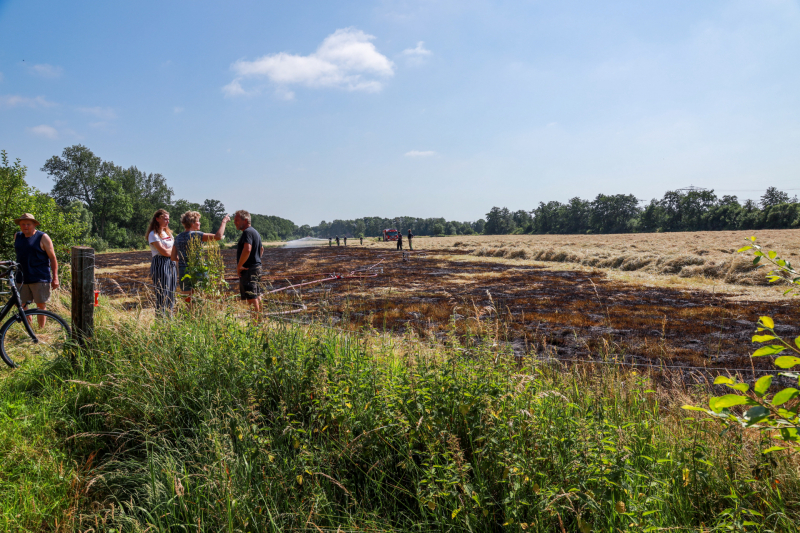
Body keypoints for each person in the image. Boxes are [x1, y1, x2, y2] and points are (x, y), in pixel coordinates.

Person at [170, 210, 230, 301]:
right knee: (200, 297)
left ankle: (189, 311)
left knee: (187, 298)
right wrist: (224, 221)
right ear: (192, 223)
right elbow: (218, 236)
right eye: (198, 221)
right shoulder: (196, 235)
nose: (200, 223)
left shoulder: (178, 237)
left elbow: (173, 257)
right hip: (198, 269)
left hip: (183, 270)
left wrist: (184, 260)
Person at [13, 213, 59, 327]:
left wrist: (55, 278)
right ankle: (29, 329)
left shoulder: (42, 237)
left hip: (40, 277)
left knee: (41, 305)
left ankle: (40, 330)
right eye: (23, 224)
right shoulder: (17, 236)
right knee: (21, 304)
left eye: (28, 224)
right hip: (21, 277)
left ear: (34, 224)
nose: (25, 226)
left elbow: (53, 258)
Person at [146, 209, 177, 315]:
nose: (168, 221)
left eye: (168, 219)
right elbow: (164, 252)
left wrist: (172, 252)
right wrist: (173, 252)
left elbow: (174, 248)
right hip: (160, 264)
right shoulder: (153, 234)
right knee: (162, 293)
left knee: (171, 292)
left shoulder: (168, 233)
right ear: (157, 219)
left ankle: (170, 318)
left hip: (171, 262)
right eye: (165, 219)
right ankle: (160, 319)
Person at [234, 210, 263, 312]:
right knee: (257, 295)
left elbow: (247, 249)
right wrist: (256, 260)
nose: (234, 222)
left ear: (245, 220)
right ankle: (260, 319)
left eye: (237, 220)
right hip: (256, 268)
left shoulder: (247, 232)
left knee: (251, 297)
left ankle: (255, 321)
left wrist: (239, 266)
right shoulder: (255, 232)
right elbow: (261, 249)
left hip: (248, 269)